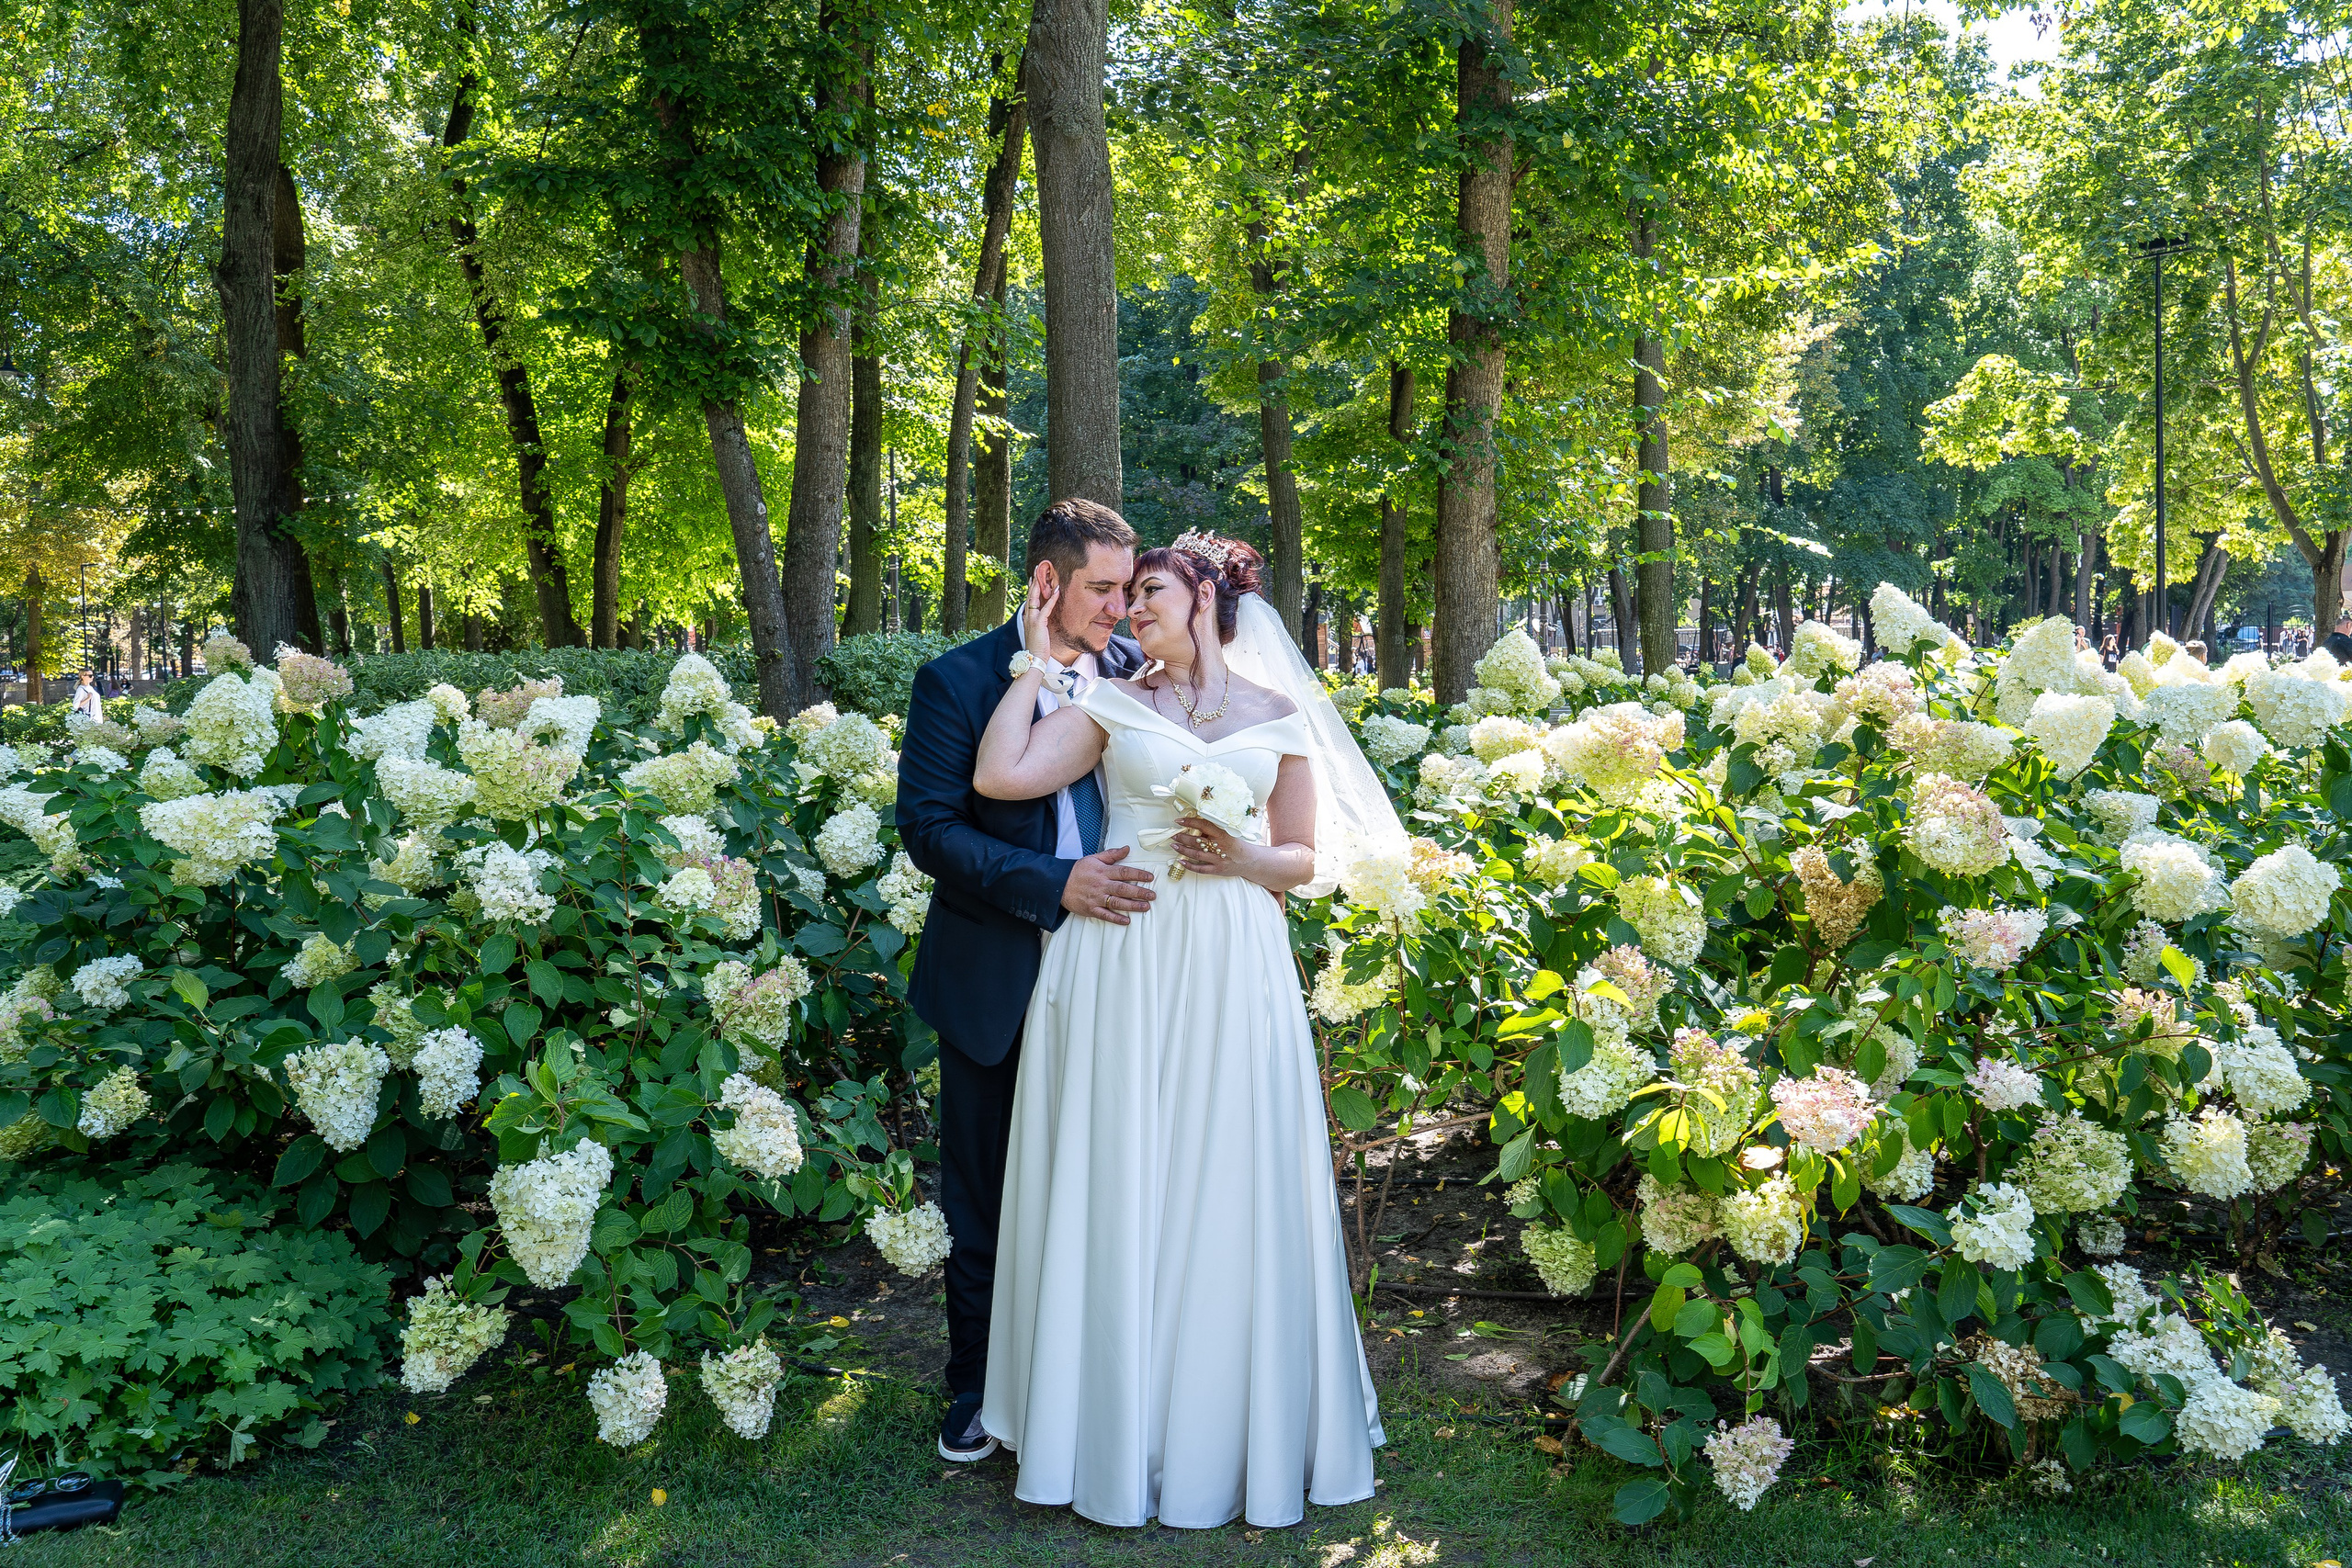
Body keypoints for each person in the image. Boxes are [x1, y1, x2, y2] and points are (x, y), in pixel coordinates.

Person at [965, 528, 1389, 1528]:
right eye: (1128, 596)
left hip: (1232, 960)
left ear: (1205, 600)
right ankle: (1107, 1420)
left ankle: (1220, 1421)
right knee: (1121, 1167)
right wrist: (1034, 666)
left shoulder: (1278, 716)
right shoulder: (1110, 702)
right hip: (1124, 955)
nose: (1130, 611)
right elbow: (1002, 777)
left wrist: (1242, 855)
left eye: (1149, 592)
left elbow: (1301, 860)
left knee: (1225, 1167)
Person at [897, 500, 1152, 1465]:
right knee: (987, 1192)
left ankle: (1089, 1387)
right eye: (1101, 589)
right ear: (1045, 583)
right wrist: (1055, 886)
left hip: (1120, 973)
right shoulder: (956, 680)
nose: (1120, 609)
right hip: (997, 971)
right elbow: (929, 829)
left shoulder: (1133, 671)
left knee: (1100, 1182)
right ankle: (976, 1394)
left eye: (1129, 589)